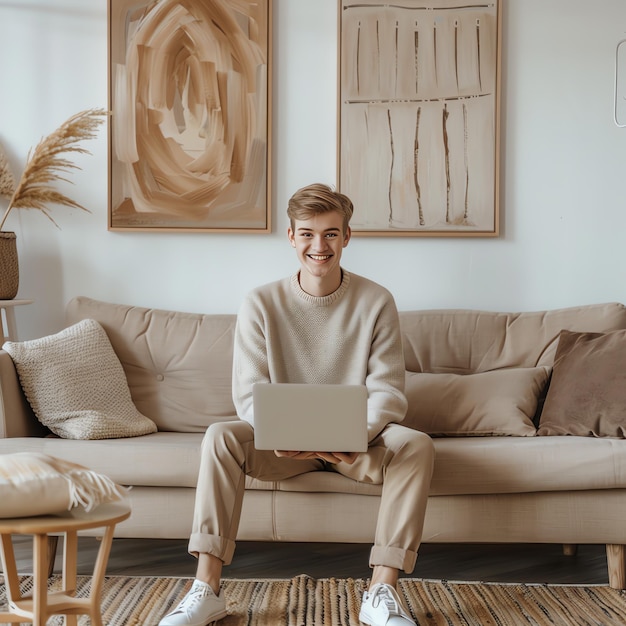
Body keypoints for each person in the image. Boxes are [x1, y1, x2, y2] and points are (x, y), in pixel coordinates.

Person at [159, 183, 435, 626]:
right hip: (281, 448)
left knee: (416, 444)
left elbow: (387, 389)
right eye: (307, 233)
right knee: (220, 436)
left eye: (330, 233)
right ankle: (205, 589)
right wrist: (285, 436)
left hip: (356, 447)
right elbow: (248, 392)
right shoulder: (261, 302)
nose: (318, 245)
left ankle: (381, 591)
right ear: (291, 237)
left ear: (347, 237)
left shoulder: (377, 300)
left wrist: (352, 437)